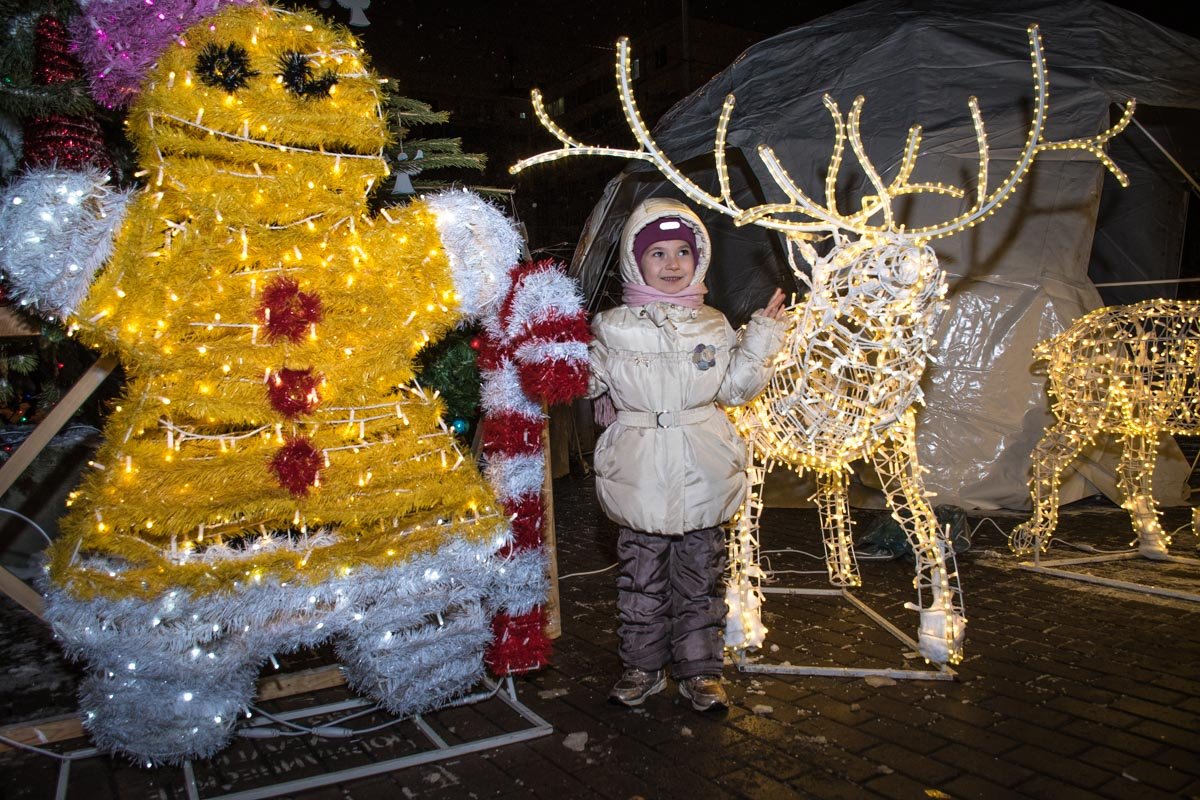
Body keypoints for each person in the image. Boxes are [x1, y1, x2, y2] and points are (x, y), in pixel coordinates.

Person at [587, 197, 787, 712]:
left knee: (700, 580)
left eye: (683, 251)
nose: (672, 263)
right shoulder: (612, 327)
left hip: (703, 473)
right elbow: (583, 383)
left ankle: (701, 672)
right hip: (639, 475)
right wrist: (553, 347)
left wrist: (761, 338)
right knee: (640, 583)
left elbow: (737, 389)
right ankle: (642, 667)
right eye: (658, 253)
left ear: (699, 257)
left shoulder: (713, 324)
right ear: (636, 261)